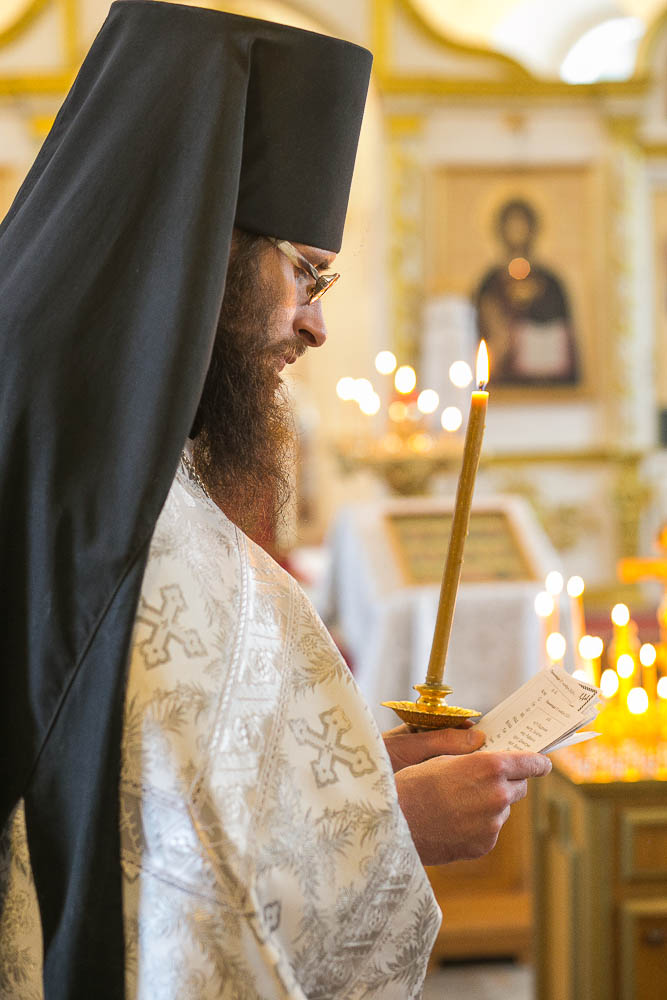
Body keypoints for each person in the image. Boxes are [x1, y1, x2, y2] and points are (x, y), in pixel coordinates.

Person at [0, 4, 551, 998]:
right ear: (196, 246)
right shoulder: (125, 536)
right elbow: (151, 900)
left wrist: (359, 776)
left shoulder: (101, 470)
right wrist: (396, 828)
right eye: (305, 273)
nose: (316, 325)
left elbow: (164, 795)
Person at [475, 197, 580, 385]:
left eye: (522, 226)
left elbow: (563, 335)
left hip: (546, 384)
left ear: (532, 229)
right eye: (512, 227)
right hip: (501, 381)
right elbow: (476, 330)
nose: (517, 233)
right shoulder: (491, 282)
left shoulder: (550, 281)